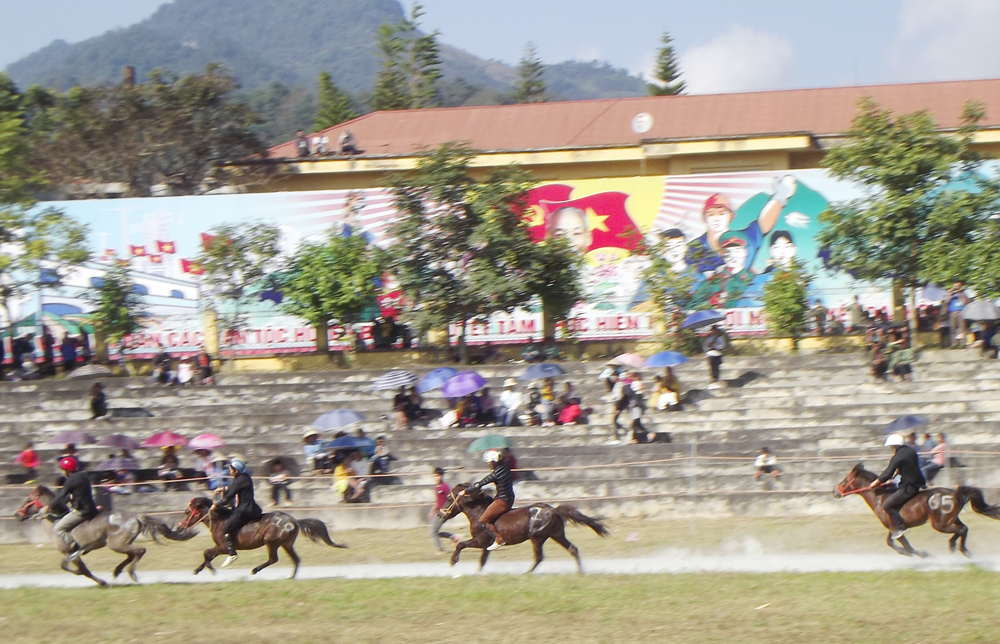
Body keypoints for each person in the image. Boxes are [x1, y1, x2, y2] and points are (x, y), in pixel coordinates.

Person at [867, 433, 926, 539]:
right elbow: (908, 467)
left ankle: (900, 527)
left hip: (908, 487)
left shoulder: (897, 457)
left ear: (894, 446)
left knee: (887, 505)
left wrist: (875, 483)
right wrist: (896, 474)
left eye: (891, 447)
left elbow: (887, 473)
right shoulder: (910, 451)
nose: (890, 449)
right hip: (918, 482)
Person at [44, 456, 98, 560]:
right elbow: (78, 493)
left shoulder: (70, 481)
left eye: (62, 469)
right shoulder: (84, 476)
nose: (62, 472)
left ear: (67, 470)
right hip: (92, 508)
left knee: (58, 528)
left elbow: (60, 496)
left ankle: (76, 547)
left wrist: (49, 506)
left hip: (81, 511)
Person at [461, 449, 514, 550]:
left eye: (490, 462)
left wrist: (465, 491)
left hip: (502, 501)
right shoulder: (506, 467)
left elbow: (479, 484)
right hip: (510, 497)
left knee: (483, 520)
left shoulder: (496, 474)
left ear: (494, 462)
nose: (489, 464)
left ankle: (499, 539)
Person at [214, 458, 263, 567]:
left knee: (226, 528)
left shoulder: (240, 479)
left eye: (231, 469)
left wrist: (216, 505)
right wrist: (224, 488)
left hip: (244, 510)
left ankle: (232, 553)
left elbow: (227, 498)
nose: (229, 471)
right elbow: (233, 487)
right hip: (249, 507)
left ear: (236, 470)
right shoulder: (243, 477)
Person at [428, 467, 462, 554]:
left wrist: (449, 510)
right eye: (435, 476)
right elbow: (437, 501)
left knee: (433, 532)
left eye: (438, 475)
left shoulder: (445, 486)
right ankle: (454, 537)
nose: (436, 477)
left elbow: (451, 498)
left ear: (442, 476)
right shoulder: (436, 488)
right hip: (437, 512)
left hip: (443, 512)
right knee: (433, 532)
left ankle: (440, 550)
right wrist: (432, 511)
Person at [946, 282, 968, 348]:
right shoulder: (951, 293)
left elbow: (964, 302)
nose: (956, 286)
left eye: (958, 285)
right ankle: (954, 343)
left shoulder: (963, 293)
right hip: (952, 312)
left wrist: (959, 293)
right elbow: (947, 301)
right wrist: (950, 293)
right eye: (955, 285)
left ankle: (963, 343)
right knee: (953, 328)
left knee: (962, 328)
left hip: (960, 311)